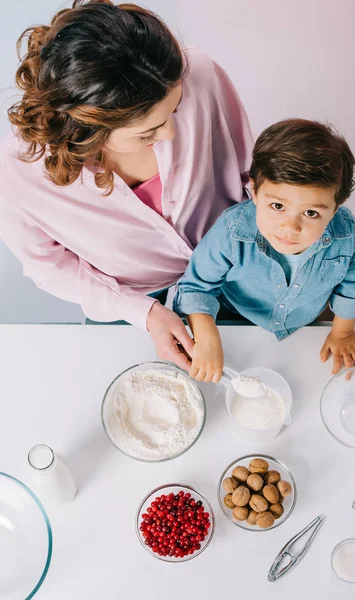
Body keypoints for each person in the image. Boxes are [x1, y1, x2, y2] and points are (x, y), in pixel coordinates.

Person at [0, 0, 253, 371]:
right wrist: (142, 311)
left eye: (176, 109)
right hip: (130, 301)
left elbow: (250, 174)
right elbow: (48, 265)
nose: (170, 133)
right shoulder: (17, 171)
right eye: (149, 132)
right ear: (89, 130)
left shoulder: (199, 73)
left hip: (237, 267)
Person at [174, 118, 355, 382]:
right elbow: (196, 287)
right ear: (255, 191)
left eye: (311, 213)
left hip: (306, 318)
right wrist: (208, 338)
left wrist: (342, 332)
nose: (290, 227)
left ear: (335, 210)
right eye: (278, 206)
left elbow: (353, 285)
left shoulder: (347, 237)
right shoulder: (232, 232)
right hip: (234, 312)